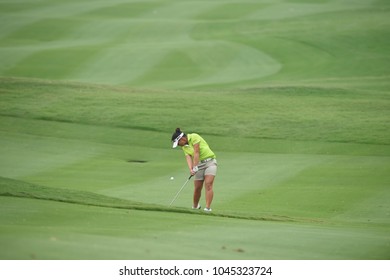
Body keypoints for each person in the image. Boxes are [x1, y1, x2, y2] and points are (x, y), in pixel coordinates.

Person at [171, 128, 217, 212]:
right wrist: (191, 169)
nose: (178, 145)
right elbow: (188, 157)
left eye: (178, 143)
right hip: (199, 164)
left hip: (210, 162)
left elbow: (196, 152)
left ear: (182, 139)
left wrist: (195, 166)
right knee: (197, 187)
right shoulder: (184, 146)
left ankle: (207, 208)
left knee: (208, 184)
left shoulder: (194, 137)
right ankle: (195, 206)